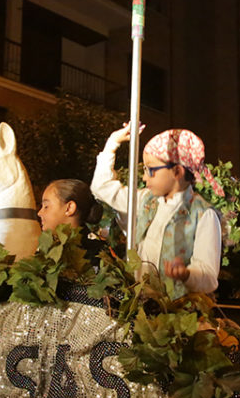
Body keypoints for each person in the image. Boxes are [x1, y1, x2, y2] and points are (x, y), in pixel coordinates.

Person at [90, 123, 223, 296]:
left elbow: (209, 276)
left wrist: (186, 274)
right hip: (140, 304)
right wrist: (112, 143)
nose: (145, 177)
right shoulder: (145, 200)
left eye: (151, 170)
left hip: (178, 313)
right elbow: (102, 188)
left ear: (177, 171)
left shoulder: (203, 215)